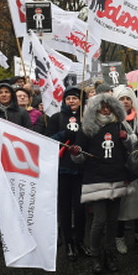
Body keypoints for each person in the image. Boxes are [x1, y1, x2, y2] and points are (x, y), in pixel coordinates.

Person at [72, 92, 137, 275]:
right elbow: (78, 158)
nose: (106, 110)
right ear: (95, 108)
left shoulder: (120, 124)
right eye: (102, 107)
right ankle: (96, 256)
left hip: (116, 176)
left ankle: (110, 254)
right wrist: (76, 152)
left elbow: (134, 146)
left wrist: (126, 139)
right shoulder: (87, 128)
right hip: (96, 178)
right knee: (99, 220)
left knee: (112, 220)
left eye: (109, 106)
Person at [0, 82, 32, 237]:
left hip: (16, 161)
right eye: (0, 92)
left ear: (11, 95)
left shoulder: (21, 113)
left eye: (7, 92)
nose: (4, 94)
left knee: (17, 198)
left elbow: (29, 135)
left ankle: (17, 229)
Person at [47, 86, 90, 261]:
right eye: (68, 98)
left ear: (81, 101)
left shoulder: (87, 118)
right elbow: (48, 139)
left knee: (80, 209)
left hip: (81, 170)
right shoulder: (57, 117)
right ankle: (69, 243)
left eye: (74, 98)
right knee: (64, 208)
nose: (71, 101)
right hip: (62, 169)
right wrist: (64, 134)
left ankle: (79, 240)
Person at [114, 85, 138, 253]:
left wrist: (131, 137)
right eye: (122, 98)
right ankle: (119, 237)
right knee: (123, 205)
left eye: (128, 98)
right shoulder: (114, 119)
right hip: (122, 167)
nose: (126, 101)